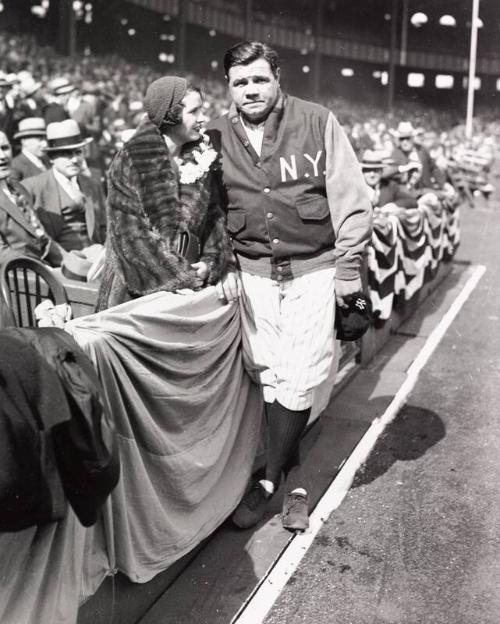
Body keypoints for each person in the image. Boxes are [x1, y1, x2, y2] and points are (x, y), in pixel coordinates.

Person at [208, 41, 372, 532]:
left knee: (302, 376)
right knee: (272, 376)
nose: (250, 89)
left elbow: (352, 199)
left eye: (259, 79)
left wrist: (348, 272)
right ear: (229, 88)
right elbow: (206, 210)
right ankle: (294, 481)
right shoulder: (214, 135)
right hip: (252, 271)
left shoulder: (318, 120)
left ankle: (268, 479)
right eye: (240, 82)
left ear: (278, 78)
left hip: (314, 267)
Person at [95, 76, 234, 311]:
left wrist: (210, 263)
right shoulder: (132, 158)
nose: (203, 119)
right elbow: (131, 237)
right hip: (133, 294)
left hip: (188, 291)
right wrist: (179, 277)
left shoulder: (201, 157)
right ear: (170, 116)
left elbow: (214, 218)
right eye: (194, 111)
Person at [22, 119, 106, 253]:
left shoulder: (92, 185)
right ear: (51, 158)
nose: (74, 160)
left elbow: (104, 227)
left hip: (96, 258)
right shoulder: (32, 188)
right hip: (57, 264)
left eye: (78, 152)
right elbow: (32, 238)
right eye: (66, 154)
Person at [0, 130, 63, 266]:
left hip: (42, 270)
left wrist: (72, 263)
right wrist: (45, 271)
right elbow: (2, 254)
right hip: (16, 276)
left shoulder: (18, 188)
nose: (2, 156)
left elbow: (41, 237)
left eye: (5, 148)